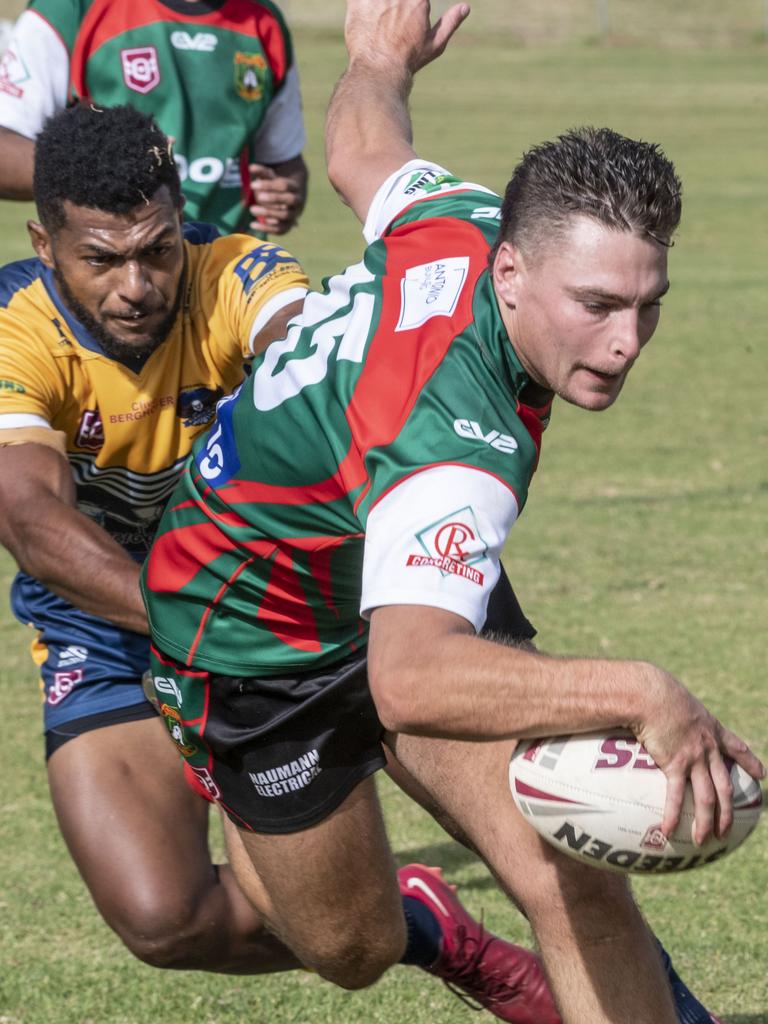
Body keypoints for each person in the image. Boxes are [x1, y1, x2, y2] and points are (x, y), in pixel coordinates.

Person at [140, 2, 763, 1022]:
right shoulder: (455, 446)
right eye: (596, 305)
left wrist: (379, 56)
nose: (626, 340)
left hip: (405, 564)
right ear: (511, 271)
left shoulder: (462, 216)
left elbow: (360, 146)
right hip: (252, 632)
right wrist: (643, 689)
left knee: (573, 870)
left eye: (648, 303)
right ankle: (411, 907)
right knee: (353, 944)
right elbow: (412, 677)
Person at [0, 100, 568, 1023]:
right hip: (108, 618)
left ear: (182, 217)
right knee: (162, 917)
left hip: (287, 599)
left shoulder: (238, 275)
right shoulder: (15, 326)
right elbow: (29, 518)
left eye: (157, 248)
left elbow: (321, 354)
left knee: (529, 844)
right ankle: (424, 927)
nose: (136, 284)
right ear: (45, 240)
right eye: (101, 259)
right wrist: (189, 622)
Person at [0, 0, 307, 235]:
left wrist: (284, 192)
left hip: (227, 279)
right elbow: (5, 150)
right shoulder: (72, 8)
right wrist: (106, 169)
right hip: (114, 280)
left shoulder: (264, 21)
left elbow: (283, 160)